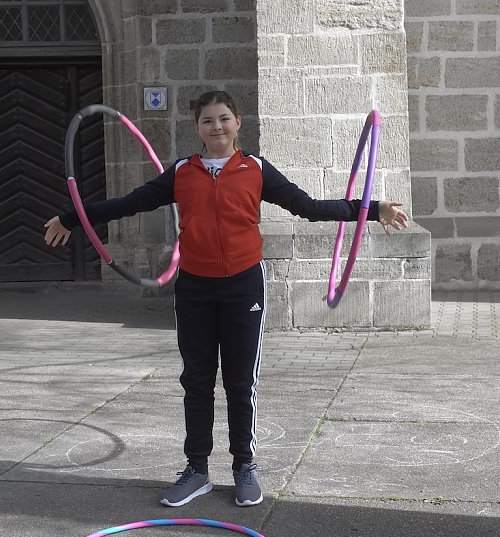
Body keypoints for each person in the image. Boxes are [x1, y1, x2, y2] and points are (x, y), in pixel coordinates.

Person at [44, 90, 408, 508]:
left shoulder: (255, 168)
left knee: (240, 382)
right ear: (197, 128)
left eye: (224, 119)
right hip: (195, 288)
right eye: (207, 121)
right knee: (196, 381)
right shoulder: (181, 172)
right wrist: (71, 218)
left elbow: (306, 207)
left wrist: (370, 207)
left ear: (238, 123)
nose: (216, 127)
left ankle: (244, 467)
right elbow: (129, 204)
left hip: (243, 287)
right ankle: (196, 470)